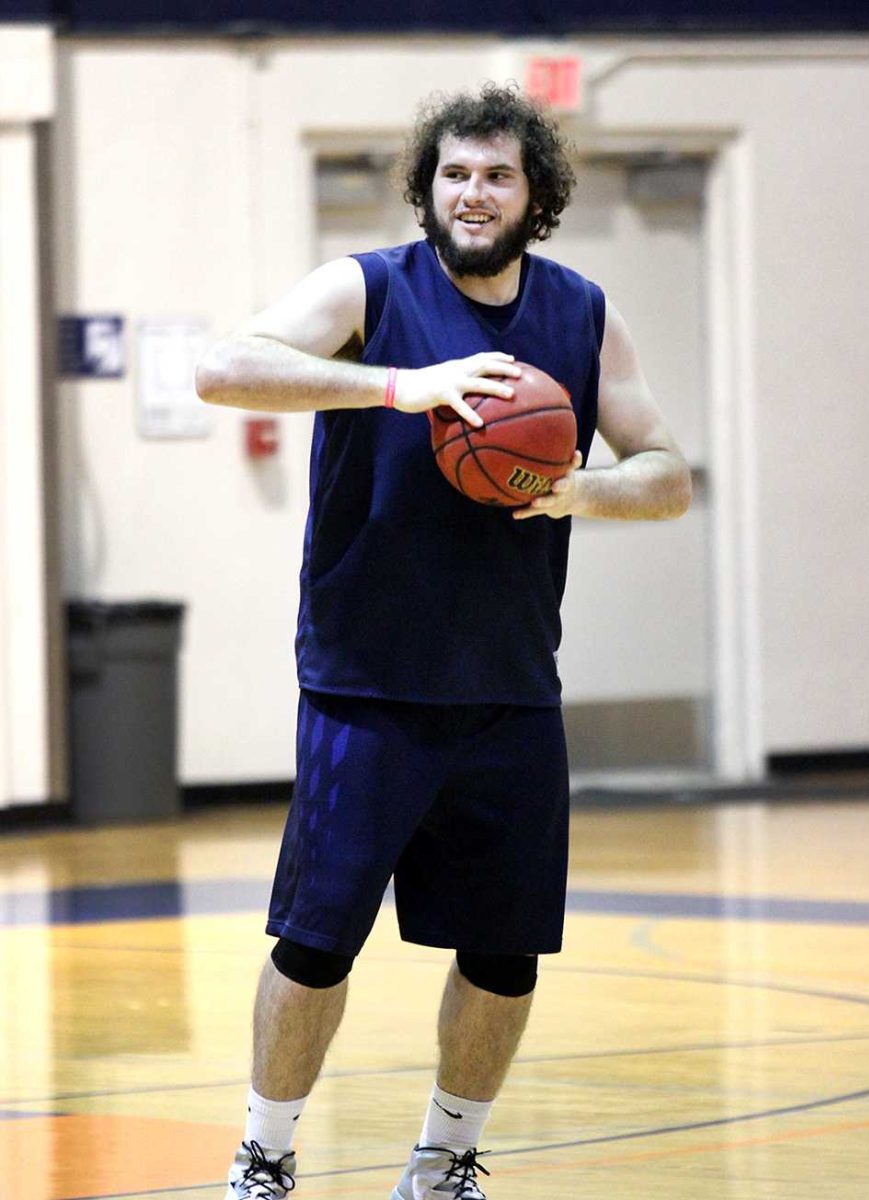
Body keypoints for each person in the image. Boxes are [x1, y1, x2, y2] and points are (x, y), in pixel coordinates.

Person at [196, 82, 691, 1200]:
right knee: (318, 944)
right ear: (426, 189)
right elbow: (222, 367)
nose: (473, 193)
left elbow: (666, 473)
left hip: (510, 687)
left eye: (496, 175)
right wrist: (395, 385)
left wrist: (583, 494)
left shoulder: (579, 313)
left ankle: (443, 1158)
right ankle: (265, 1154)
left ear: (535, 194)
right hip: (365, 683)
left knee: (503, 955)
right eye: (454, 174)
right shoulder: (370, 288)